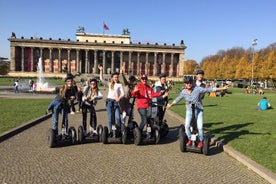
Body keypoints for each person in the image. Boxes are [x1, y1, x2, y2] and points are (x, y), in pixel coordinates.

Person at [167, 76, 228, 148]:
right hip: (189, 111)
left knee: (200, 127)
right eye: (187, 83)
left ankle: (201, 141)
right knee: (187, 126)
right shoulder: (183, 92)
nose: (188, 84)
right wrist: (171, 104)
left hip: (198, 111)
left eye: (190, 83)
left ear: (192, 83)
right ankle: (189, 139)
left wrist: (222, 88)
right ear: (185, 84)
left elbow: (209, 89)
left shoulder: (197, 89)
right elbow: (178, 99)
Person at [98, 64, 125, 135]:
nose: (116, 78)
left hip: (116, 102)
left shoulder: (120, 85)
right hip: (109, 101)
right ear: (112, 78)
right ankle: (111, 131)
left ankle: (118, 130)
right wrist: (101, 70)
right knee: (110, 118)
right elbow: (101, 79)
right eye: (114, 77)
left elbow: (123, 94)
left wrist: (119, 98)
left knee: (118, 118)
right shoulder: (109, 84)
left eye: (117, 77)